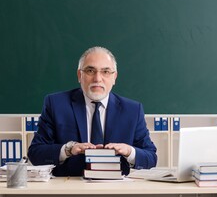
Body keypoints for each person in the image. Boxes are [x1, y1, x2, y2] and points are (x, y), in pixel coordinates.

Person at [28, 46, 157, 176]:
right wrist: (68, 150)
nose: (97, 78)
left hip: (116, 190)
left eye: (105, 72)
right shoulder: (56, 104)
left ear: (114, 77)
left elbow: (151, 157)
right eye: (90, 70)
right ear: (80, 75)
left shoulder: (132, 110)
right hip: (69, 188)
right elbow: (35, 153)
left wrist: (129, 151)